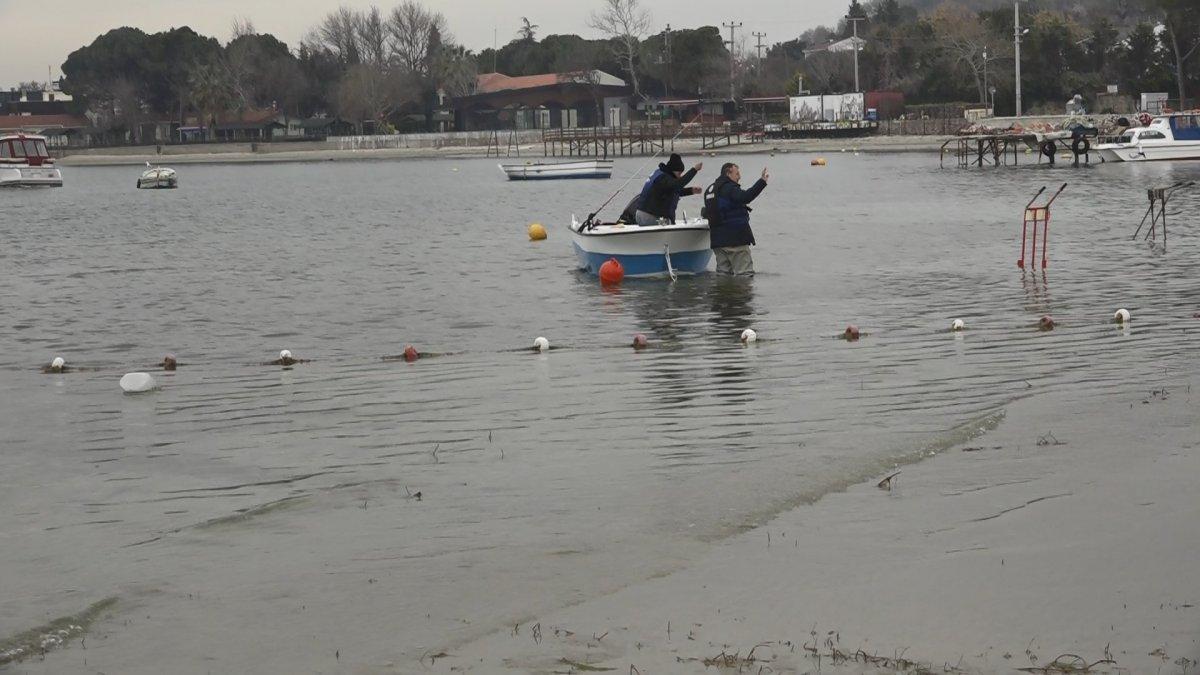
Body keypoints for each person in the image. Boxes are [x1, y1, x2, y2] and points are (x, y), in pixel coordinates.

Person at [704, 162, 769, 276]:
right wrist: (762, 182)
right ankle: (742, 294)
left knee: (723, 276)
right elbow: (745, 197)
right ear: (728, 173)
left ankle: (722, 293)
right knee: (744, 275)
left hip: (717, 242)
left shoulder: (709, 190)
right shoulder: (729, 188)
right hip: (735, 240)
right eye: (737, 173)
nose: (739, 176)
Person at [635, 154, 703, 226]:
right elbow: (678, 184)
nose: (680, 176)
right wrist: (694, 170)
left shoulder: (659, 174)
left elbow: (671, 190)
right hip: (649, 216)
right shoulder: (664, 178)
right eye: (679, 173)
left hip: (640, 214)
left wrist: (691, 190)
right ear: (673, 170)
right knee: (669, 223)